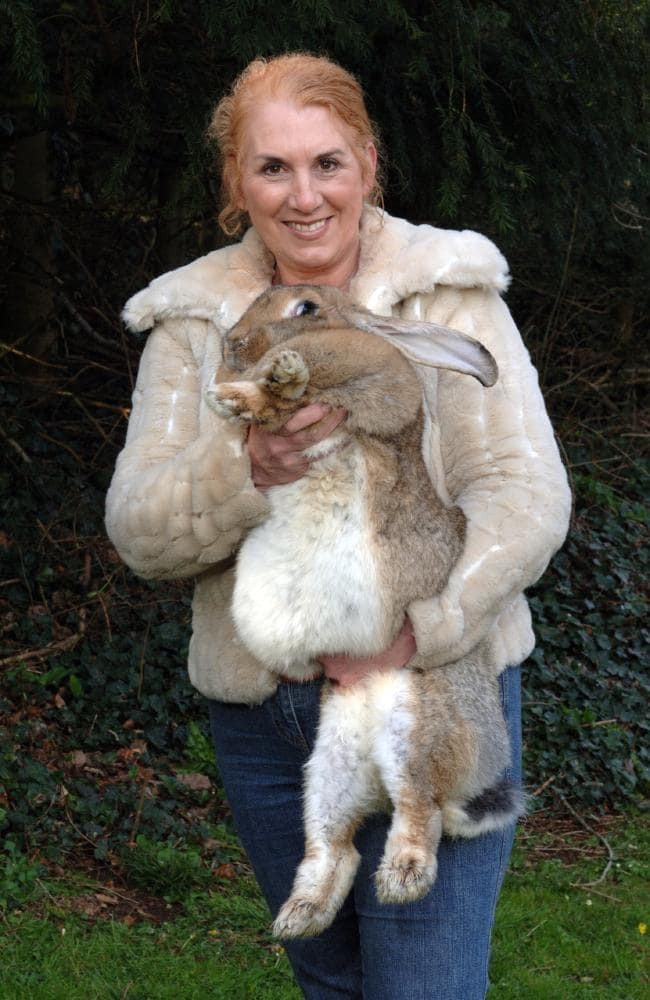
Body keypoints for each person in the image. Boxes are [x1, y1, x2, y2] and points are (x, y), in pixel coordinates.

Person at [106, 53, 571, 999]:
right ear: (237, 183)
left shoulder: (447, 291)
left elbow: (525, 494)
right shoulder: (194, 321)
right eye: (273, 167)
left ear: (368, 162)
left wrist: (419, 634)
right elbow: (141, 533)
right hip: (268, 712)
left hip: (438, 681)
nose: (304, 195)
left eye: (328, 163)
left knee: (423, 985)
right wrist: (245, 470)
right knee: (332, 979)